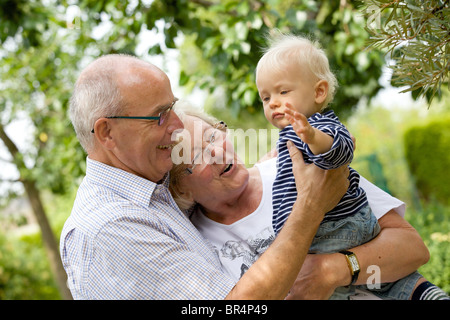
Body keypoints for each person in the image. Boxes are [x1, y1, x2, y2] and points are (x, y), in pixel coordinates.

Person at [59, 53, 351, 299]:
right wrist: (310, 207)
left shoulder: (150, 188)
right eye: (160, 115)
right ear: (107, 132)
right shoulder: (110, 226)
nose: (177, 125)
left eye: (172, 106)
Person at [169, 102, 448, 300]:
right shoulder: (195, 244)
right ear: (182, 189)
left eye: (212, 136)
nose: (216, 151)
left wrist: (334, 270)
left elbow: (413, 249)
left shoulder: (296, 163)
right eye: (194, 156)